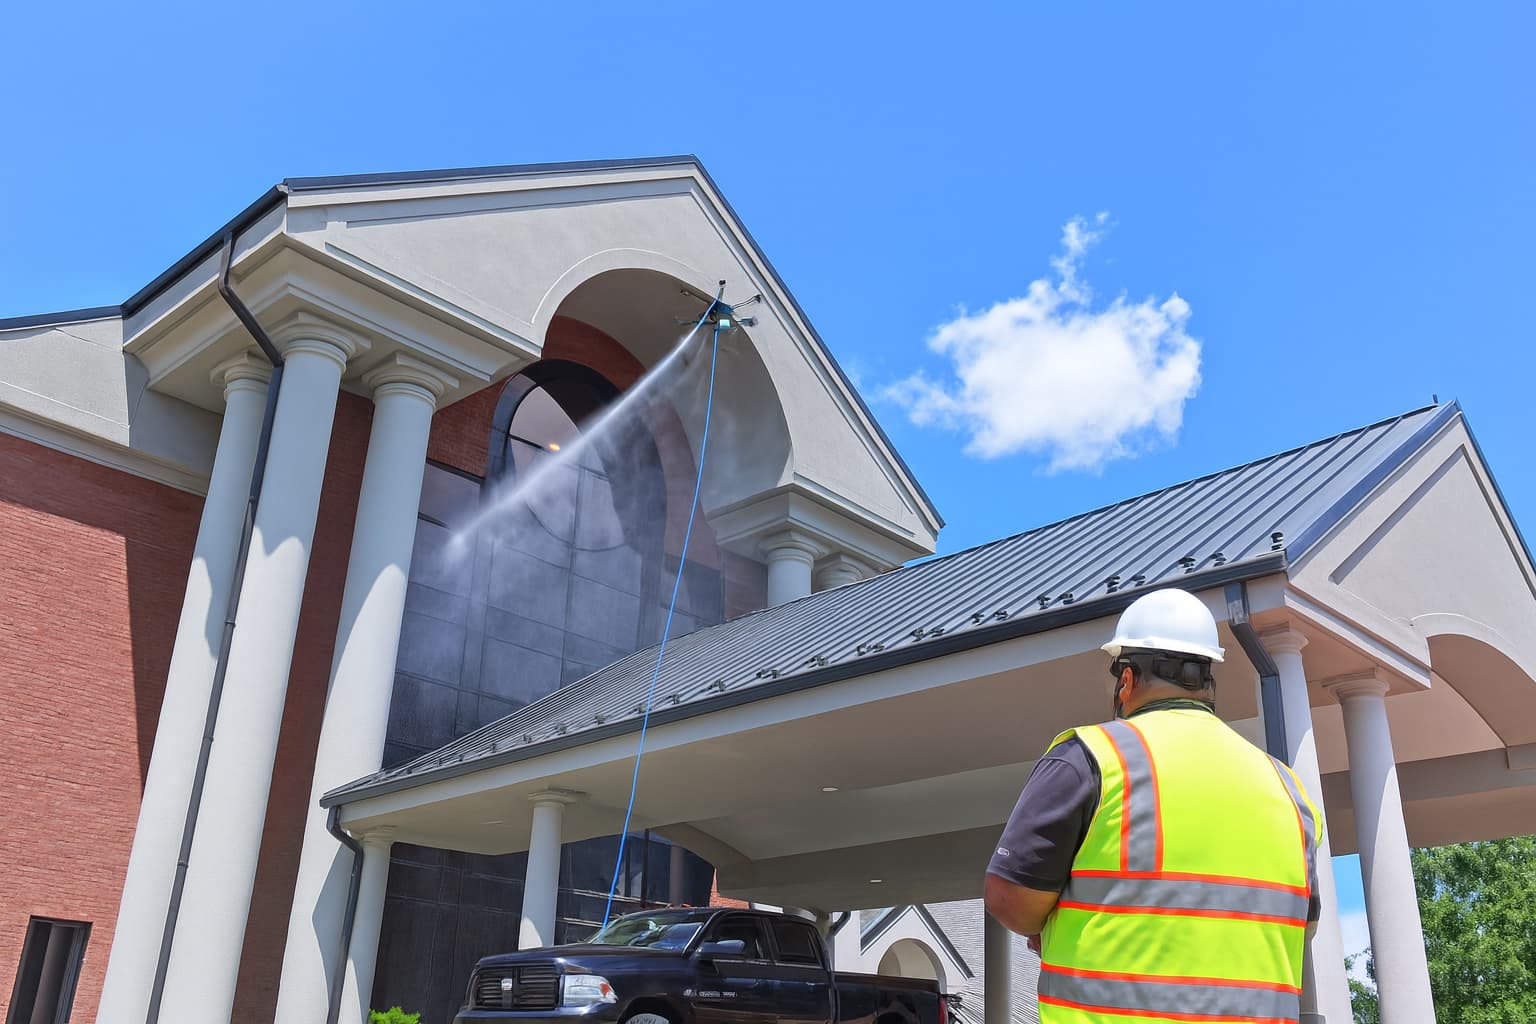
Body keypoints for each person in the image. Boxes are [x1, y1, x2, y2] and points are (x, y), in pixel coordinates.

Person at [984, 587, 1321, 1024]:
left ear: (1126, 679)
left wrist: (1053, 927)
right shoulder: (1287, 789)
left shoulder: (1092, 757)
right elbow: (1299, 926)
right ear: (1207, 681)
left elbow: (1010, 898)